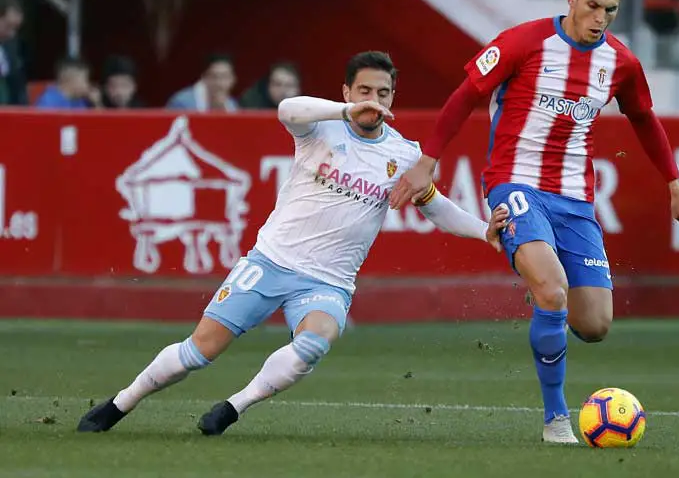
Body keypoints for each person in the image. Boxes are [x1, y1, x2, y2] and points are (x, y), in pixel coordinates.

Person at [77, 51, 510, 435]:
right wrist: (343, 110)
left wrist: (480, 230)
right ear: (346, 90)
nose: (373, 100)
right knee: (199, 351)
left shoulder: (406, 156)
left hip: (328, 282)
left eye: (383, 92)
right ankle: (121, 403)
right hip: (271, 261)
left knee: (314, 343)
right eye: (364, 90)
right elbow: (287, 108)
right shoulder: (320, 128)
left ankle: (233, 407)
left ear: (393, 97)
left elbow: (433, 205)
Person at [389, 0, 679, 444]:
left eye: (611, 10)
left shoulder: (620, 62)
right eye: (593, 5)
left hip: (576, 201)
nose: (600, 18)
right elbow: (465, 95)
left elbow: (644, 118)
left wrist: (675, 185)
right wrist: (428, 159)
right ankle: (556, 419)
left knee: (594, 325)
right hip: (514, 185)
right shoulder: (523, 41)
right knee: (552, 289)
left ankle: (544, 305)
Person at [166, 53, 239, 112]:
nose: (219, 83)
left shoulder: (232, 105)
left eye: (225, 77)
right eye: (214, 77)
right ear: (204, 78)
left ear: (233, 79)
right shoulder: (182, 102)